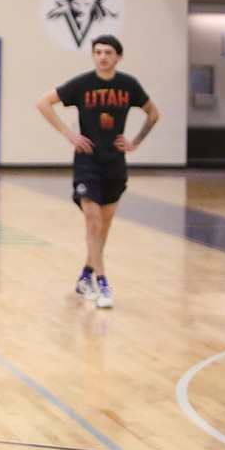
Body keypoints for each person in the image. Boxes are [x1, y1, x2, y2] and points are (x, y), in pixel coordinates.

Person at [37, 34, 159, 309]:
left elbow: (153, 113)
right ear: (93, 56)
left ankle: (85, 277)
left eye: (108, 52)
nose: (102, 56)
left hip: (114, 163)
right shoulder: (82, 84)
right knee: (92, 221)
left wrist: (135, 142)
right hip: (87, 161)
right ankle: (102, 283)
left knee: (103, 227)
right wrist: (68, 133)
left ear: (118, 57)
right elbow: (43, 102)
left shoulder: (128, 85)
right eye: (98, 52)